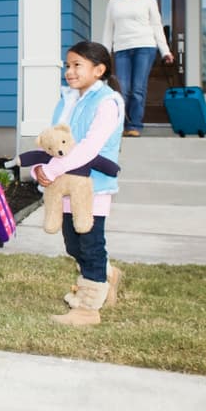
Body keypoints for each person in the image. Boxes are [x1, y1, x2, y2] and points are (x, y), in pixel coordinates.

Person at [31, 41, 125, 327]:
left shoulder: (107, 102)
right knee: (73, 243)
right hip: (64, 185)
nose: (69, 72)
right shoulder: (68, 99)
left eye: (76, 66)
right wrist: (41, 167)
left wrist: (55, 167)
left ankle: (87, 308)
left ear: (99, 70)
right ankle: (107, 275)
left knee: (90, 243)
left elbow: (89, 147)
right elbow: (54, 142)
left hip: (92, 186)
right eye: (67, 66)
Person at [101, 0, 174, 137]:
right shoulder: (114, 2)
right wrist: (104, 55)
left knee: (137, 89)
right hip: (122, 49)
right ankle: (121, 125)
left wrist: (165, 51)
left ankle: (135, 125)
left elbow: (157, 25)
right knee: (122, 89)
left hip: (144, 47)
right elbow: (108, 29)